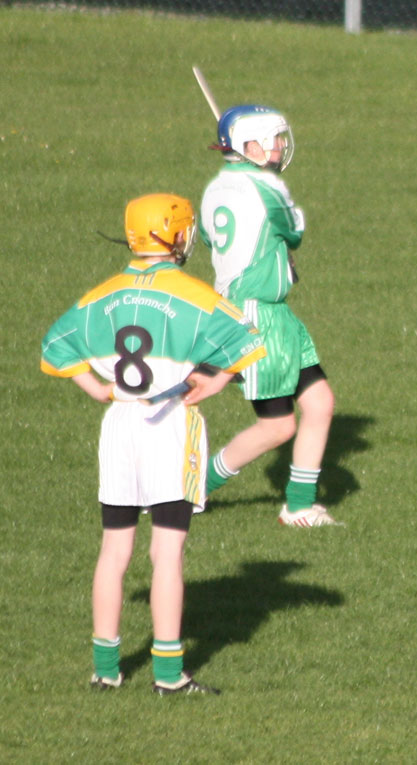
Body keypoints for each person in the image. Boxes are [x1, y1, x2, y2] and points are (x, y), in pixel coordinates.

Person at [41, 193, 266, 694]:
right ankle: (168, 675)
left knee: (113, 550)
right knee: (168, 552)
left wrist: (97, 388)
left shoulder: (99, 295)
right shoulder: (193, 293)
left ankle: (105, 670)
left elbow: (54, 346)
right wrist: (215, 378)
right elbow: (250, 339)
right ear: (174, 235)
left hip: (119, 424)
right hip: (170, 424)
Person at [199, 105, 337, 528]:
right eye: (274, 138)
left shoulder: (215, 189)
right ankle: (189, 488)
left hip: (267, 312)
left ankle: (298, 505)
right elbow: (294, 228)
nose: (281, 145)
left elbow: (211, 237)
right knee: (276, 427)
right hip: (259, 317)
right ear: (252, 146)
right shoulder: (266, 187)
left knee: (320, 401)